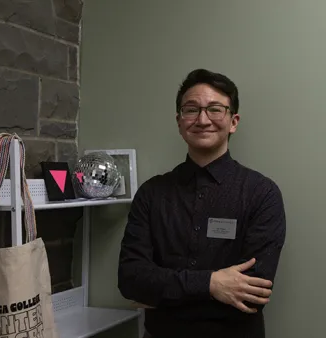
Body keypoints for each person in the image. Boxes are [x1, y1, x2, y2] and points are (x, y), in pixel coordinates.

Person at [117, 69, 286, 338]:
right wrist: (211, 284)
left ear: (233, 121)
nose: (202, 119)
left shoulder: (262, 193)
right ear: (179, 121)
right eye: (191, 109)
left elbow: (251, 296)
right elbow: (131, 280)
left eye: (215, 109)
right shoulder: (151, 193)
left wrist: (164, 293)